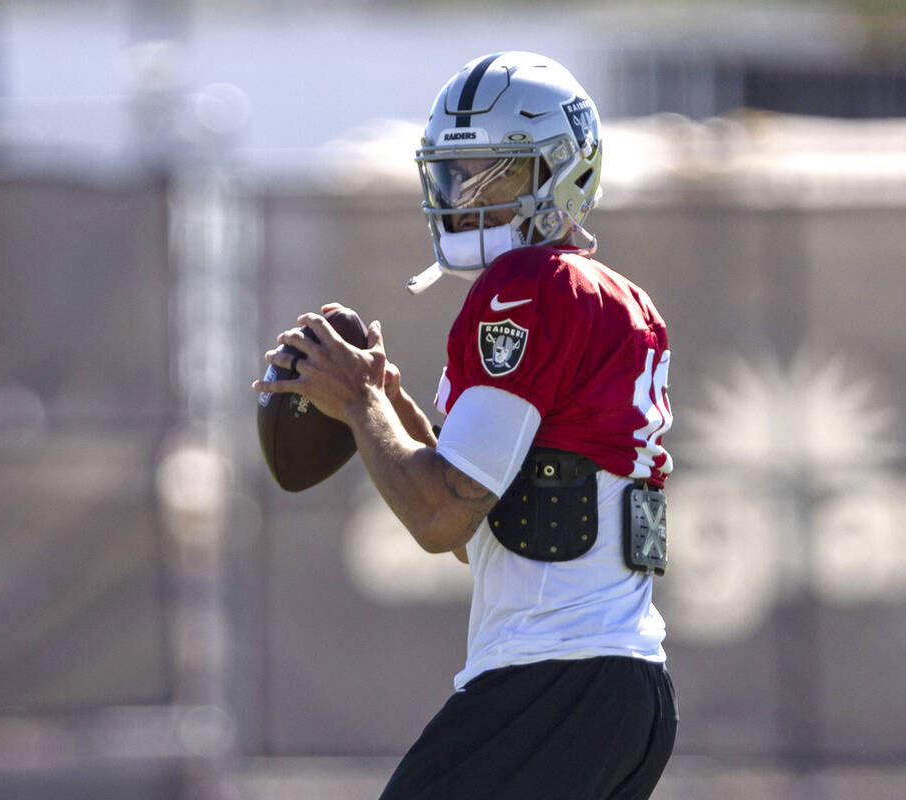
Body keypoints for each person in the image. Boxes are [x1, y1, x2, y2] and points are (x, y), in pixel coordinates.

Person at [253, 51, 677, 800]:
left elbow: (441, 516)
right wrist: (384, 396)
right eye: (455, 172)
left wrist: (358, 402)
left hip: (554, 679)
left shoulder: (529, 286)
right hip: (628, 693)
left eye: (498, 173)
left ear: (561, 172)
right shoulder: (611, 297)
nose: (465, 195)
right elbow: (494, 522)